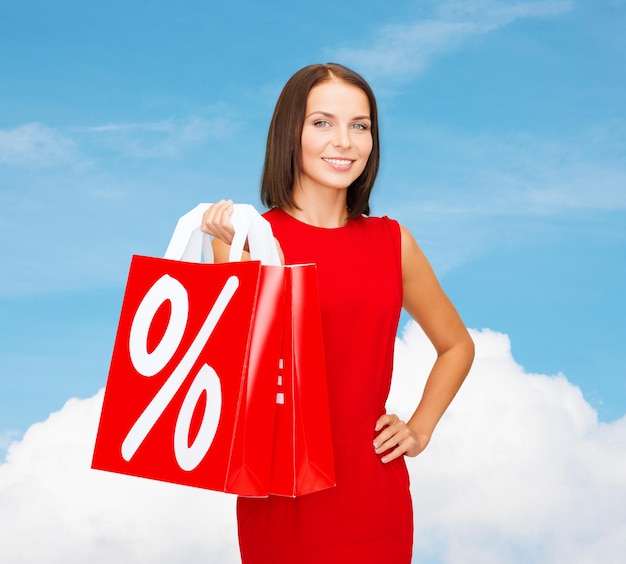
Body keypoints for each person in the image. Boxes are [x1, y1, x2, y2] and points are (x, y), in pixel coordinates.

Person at [201, 63, 474, 564]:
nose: (344, 141)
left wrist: (419, 428)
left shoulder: (393, 242)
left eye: (360, 125)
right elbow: (236, 375)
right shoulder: (248, 241)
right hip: (282, 495)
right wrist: (227, 254)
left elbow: (457, 346)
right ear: (291, 133)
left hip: (375, 494)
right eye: (322, 122)